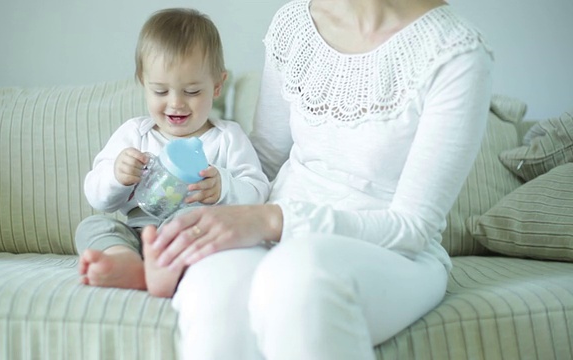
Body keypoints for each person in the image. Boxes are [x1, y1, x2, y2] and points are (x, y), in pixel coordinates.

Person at [141, 0, 494, 358]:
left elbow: (412, 228)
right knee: (213, 284)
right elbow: (263, 162)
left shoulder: (455, 52)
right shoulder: (294, 24)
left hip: (394, 253)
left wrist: (272, 220)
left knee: (299, 276)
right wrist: (197, 217)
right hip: (273, 235)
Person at [75, 8, 270, 298]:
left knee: (191, 219)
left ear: (217, 86)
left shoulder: (227, 137)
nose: (176, 103)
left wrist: (224, 187)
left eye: (192, 91)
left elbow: (259, 192)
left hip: (188, 236)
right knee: (92, 225)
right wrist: (117, 175)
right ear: (143, 81)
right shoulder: (135, 134)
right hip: (139, 233)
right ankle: (126, 261)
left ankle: (171, 267)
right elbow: (96, 196)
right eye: (161, 91)